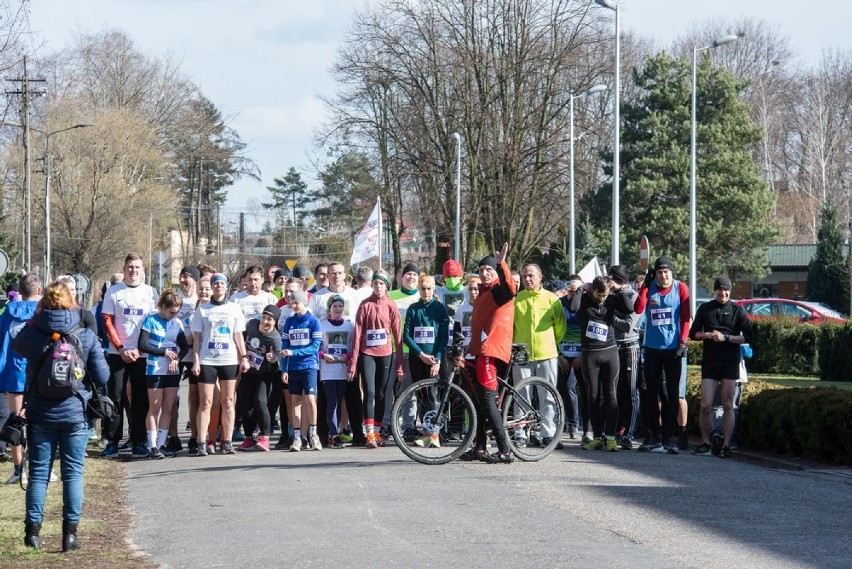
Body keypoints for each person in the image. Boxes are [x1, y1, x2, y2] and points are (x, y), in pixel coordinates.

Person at [13, 281, 109, 552]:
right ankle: (69, 536)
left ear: (44, 301)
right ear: (72, 301)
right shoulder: (84, 331)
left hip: (40, 413)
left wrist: (36, 319)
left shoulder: (34, 331)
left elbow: (18, 348)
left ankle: (32, 534)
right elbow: (102, 376)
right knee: (73, 473)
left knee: (39, 473)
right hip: (75, 412)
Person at [101, 253, 159, 458]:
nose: (133, 270)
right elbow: (107, 322)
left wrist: (140, 349)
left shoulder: (151, 293)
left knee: (141, 399)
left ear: (143, 270)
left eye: (137, 267)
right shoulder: (114, 292)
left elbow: (154, 324)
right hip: (118, 354)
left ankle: (139, 440)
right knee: (115, 397)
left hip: (142, 355)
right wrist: (121, 347)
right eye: (130, 267)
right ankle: (112, 441)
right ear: (124, 269)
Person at [689, 277, 753, 459]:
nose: (723, 294)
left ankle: (726, 445)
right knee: (705, 405)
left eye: (726, 291)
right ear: (714, 290)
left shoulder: (737, 310)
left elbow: (749, 336)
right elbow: (693, 334)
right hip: (710, 362)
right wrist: (708, 335)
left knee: (727, 405)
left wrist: (726, 338)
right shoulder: (705, 308)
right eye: (720, 290)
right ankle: (706, 443)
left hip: (729, 362)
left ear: (730, 292)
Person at [464, 243, 516, 463]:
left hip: (492, 350)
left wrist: (501, 263)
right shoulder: (482, 294)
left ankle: (505, 450)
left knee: (487, 398)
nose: (484, 273)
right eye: (481, 270)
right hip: (480, 349)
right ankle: (480, 447)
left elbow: (511, 288)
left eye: (489, 270)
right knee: (477, 400)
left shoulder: (498, 291)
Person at [570, 274, 635, 451]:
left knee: (611, 395)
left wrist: (618, 289)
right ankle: (598, 436)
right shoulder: (584, 301)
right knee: (593, 396)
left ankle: (611, 437)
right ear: (593, 291)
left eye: (604, 295)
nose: (601, 298)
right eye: (599, 295)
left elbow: (630, 309)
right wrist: (582, 288)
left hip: (610, 353)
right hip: (590, 354)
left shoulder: (612, 300)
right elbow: (573, 308)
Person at [634, 256, 691, 454]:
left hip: (673, 348)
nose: (663, 275)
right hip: (651, 348)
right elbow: (638, 308)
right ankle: (652, 437)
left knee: (671, 394)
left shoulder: (681, 288)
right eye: (659, 272)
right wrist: (645, 287)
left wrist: (683, 341)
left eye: (666, 272)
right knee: (650, 393)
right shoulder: (651, 288)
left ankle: (669, 438)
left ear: (672, 273)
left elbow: (685, 317)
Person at [191, 273, 249, 456]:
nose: (218, 287)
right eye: (215, 284)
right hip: (208, 359)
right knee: (206, 402)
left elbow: (238, 336)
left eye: (221, 284)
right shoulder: (202, 309)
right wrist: (196, 361)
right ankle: (202, 442)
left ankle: (227, 441)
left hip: (229, 359)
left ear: (226, 286)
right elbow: (197, 339)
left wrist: (244, 357)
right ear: (212, 287)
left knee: (228, 401)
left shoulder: (234, 308)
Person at [347, 270, 404, 449]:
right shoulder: (365, 305)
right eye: (376, 283)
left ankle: (378, 431)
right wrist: (354, 362)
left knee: (381, 394)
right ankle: (369, 432)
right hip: (367, 354)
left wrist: (400, 364)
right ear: (371, 285)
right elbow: (357, 334)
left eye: (382, 283)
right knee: (369, 392)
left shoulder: (391, 305)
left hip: (386, 354)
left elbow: (398, 337)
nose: (378, 287)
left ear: (386, 285)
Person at [512, 263, 566, 448]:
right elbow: (511, 327)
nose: (528, 279)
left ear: (540, 277)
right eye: (525, 276)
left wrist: (551, 343)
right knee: (521, 394)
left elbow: (560, 327)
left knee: (548, 395)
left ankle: (548, 433)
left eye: (531, 275)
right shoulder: (516, 300)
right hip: (522, 355)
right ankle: (521, 434)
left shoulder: (552, 299)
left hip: (547, 353)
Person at [0, 274, 42, 484]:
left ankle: (18, 470)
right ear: (39, 291)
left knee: (16, 420)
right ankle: (39, 468)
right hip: (39, 373)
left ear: (20, 292)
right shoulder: (43, 313)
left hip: (13, 374)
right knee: (39, 422)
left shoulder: (7, 314)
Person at [137, 291, 189, 459]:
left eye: (177, 312)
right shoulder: (151, 320)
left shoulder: (177, 323)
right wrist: (163, 352)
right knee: (155, 408)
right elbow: (142, 345)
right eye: (171, 312)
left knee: (168, 407)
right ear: (163, 307)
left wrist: (178, 359)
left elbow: (185, 346)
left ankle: (160, 445)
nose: (174, 315)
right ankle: (152, 446)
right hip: (155, 368)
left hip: (172, 370)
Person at [402, 274, 449, 447]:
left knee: (433, 395)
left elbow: (443, 337)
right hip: (418, 358)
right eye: (423, 288)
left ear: (434, 289)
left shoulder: (440, 308)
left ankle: (435, 433)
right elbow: (406, 335)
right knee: (421, 395)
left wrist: (436, 359)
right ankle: (426, 431)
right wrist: (420, 354)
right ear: (419, 290)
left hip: (434, 358)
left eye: (429, 288)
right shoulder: (413, 309)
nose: (426, 292)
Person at [280, 290, 323, 451]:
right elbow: (285, 347)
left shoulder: (314, 322)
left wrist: (294, 353)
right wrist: (284, 369)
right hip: (293, 368)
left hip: (309, 366)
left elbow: (314, 347)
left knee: (310, 400)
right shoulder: (289, 322)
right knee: (295, 401)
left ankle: (313, 434)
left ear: (304, 303)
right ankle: (297, 437)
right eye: (291, 302)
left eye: (296, 302)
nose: (293, 305)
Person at [237, 304, 282, 452]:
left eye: (269, 319)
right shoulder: (251, 325)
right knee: (246, 405)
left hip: (265, 374)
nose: (265, 321)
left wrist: (272, 357)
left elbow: (277, 356)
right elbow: (240, 339)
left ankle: (265, 437)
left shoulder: (275, 338)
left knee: (260, 402)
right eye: (264, 317)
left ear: (275, 322)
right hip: (249, 371)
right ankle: (249, 438)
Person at [610, 266, 643, 450]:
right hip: (614, 347)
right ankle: (615, 430)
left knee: (631, 392)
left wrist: (609, 315)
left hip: (630, 347)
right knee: (616, 391)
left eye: (611, 279)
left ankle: (629, 433)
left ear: (619, 280)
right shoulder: (611, 296)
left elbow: (628, 326)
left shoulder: (633, 296)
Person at [319, 295, 354, 449]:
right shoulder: (322, 325)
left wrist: (345, 358)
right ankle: (333, 434)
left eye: (340, 306)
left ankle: (336, 432)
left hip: (342, 370)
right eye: (335, 307)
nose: (338, 309)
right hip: (327, 371)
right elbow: (317, 349)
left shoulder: (348, 326)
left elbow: (353, 348)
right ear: (329, 308)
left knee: (339, 402)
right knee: (331, 402)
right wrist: (324, 356)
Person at [558, 276, 587, 441]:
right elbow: (551, 329)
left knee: (584, 391)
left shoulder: (585, 303)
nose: (573, 294)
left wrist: (583, 355)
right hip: (563, 352)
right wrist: (558, 355)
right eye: (570, 290)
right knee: (565, 388)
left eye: (577, 291)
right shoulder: (559, 303)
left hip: (582, 353)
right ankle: (570, 424)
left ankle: (581, 426)